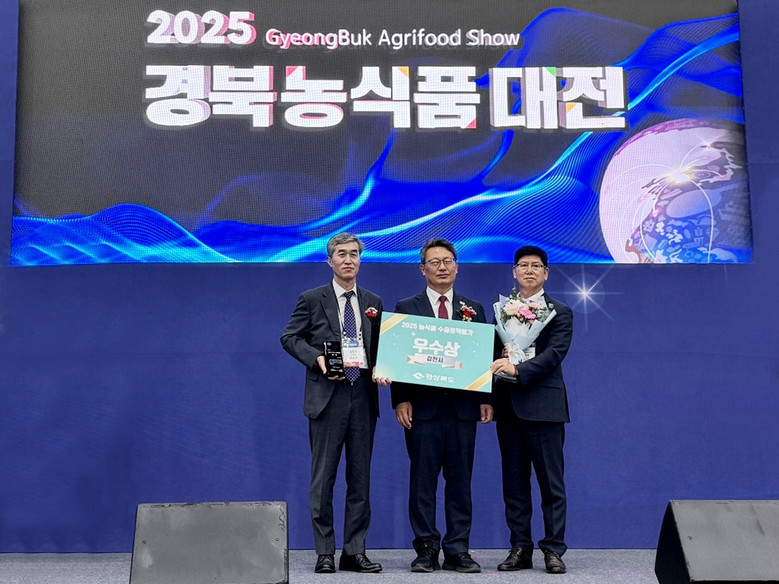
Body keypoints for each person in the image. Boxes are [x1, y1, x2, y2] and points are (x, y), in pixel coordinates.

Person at [280, 233, 385, 574]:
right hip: (328, 397)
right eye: (341, 254)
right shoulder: (312, 299)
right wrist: (316, 359)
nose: (348, 259)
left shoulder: (373, 301)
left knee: (360, 479)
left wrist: (385, 367)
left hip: (363, 395)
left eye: (354, 254)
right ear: (330, 261)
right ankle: (324, 551)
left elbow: (380, 348)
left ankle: (354, 551)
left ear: (360, 260)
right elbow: (289, 337)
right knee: (323, 479)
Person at [391, 238, 493, 574]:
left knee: (460, 482)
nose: (442, 267)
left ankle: (458, 549)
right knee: (422, 482)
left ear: (457, 267)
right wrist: (400, 399)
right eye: (434, 262)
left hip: (463, 409)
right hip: (423, 409)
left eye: (448, 261)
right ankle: (426, 549)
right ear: (423, 269)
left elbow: (484, 356)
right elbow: (397, 356)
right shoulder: (407, 307)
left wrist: (485, 398)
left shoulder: (474, 308)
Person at [490, 245, 574, 574]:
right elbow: (490, 355)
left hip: (545, 408)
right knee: (514, 483)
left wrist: (518, 369)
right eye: (523, 265)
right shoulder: (501, 311)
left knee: (551, 484)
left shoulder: (560, 312)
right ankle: (520, 548)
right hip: (509, 408)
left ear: (546, 273)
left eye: (536, 266)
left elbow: (554, 354)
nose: (529, 270)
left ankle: (553, 549)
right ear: (514, 272)